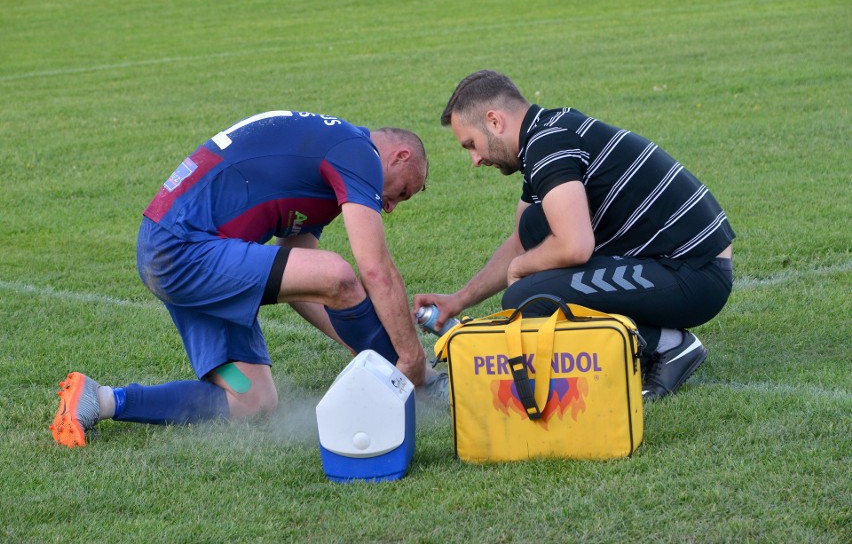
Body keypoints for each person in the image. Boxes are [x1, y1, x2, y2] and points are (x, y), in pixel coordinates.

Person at [51, 110, 446, 448]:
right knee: (340, 273)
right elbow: (372, 270)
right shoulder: (358, 152)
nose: (391, 205)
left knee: (251, 399)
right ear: (399, 156)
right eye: (404, 191)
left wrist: (367, 352)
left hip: (177, 256)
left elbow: (305, 285)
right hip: (182, 248)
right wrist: (410, 361)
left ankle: (99, 400)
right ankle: (427, 387)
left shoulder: (326, 165)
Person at [414, 70, 735, 401]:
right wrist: (459, 300)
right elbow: (522, 243)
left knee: (527, 298)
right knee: (534, 228)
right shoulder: (547, 132)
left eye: (471, 144)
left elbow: (574, 245)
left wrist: (523, 268)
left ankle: (671, 346)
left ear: (494, 121)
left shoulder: (547, 143)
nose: (475, 159)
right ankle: (632, 342)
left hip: (695, 275)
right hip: (677, 264)